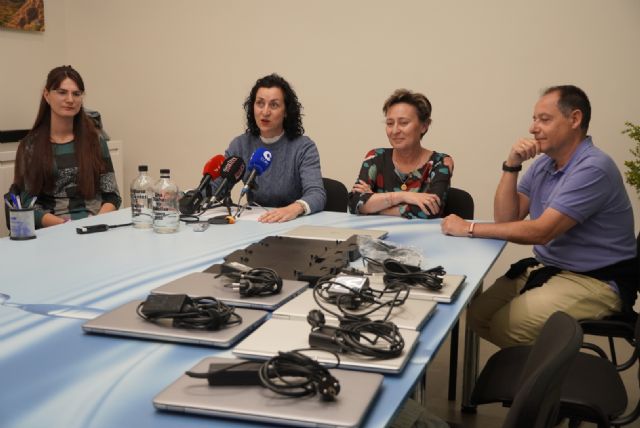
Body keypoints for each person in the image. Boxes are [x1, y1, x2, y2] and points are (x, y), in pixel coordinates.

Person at [441, 85, 637, 348]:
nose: (533, 128)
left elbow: (541, 232)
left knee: (507, 328)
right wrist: (511, 165)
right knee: (477, 315)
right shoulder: (545, 163)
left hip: (596, 280)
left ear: (575, 119)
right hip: (554, 268)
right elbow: (507, 219)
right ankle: (536, 361)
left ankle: (555, 370)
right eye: (534, 119)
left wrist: (469, 227)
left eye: (544, 119)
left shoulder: (594, 167)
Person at [12, 65, 121, 228]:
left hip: (95, 225)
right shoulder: (30, 146)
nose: (70, 100)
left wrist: (94, 222)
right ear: (47, 95)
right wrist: (65, 226)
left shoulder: (95, 141)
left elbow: (112, 196)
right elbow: (27, 205)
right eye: (62, 92)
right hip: (54, 230)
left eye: (76, 94)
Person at [215, 73, 326, 223]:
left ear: (286, 111)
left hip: (292, 223)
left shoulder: (303, 147)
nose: (265, 112)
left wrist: (294, 209)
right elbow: (218, 187)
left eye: (274, 105)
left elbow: (317, 194)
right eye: (260, 103)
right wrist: (190, 196)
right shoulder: (241, 144)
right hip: (256, 223)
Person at [348, 89, 453, 219]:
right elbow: (354, 203)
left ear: (424, 126)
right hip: (378, 231)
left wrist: (374, 204)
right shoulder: (375, 157)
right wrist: (404, 196)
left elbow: (431, 209)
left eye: (403, 123)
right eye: (390, 123)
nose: (395, 131)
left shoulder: (441, 162)